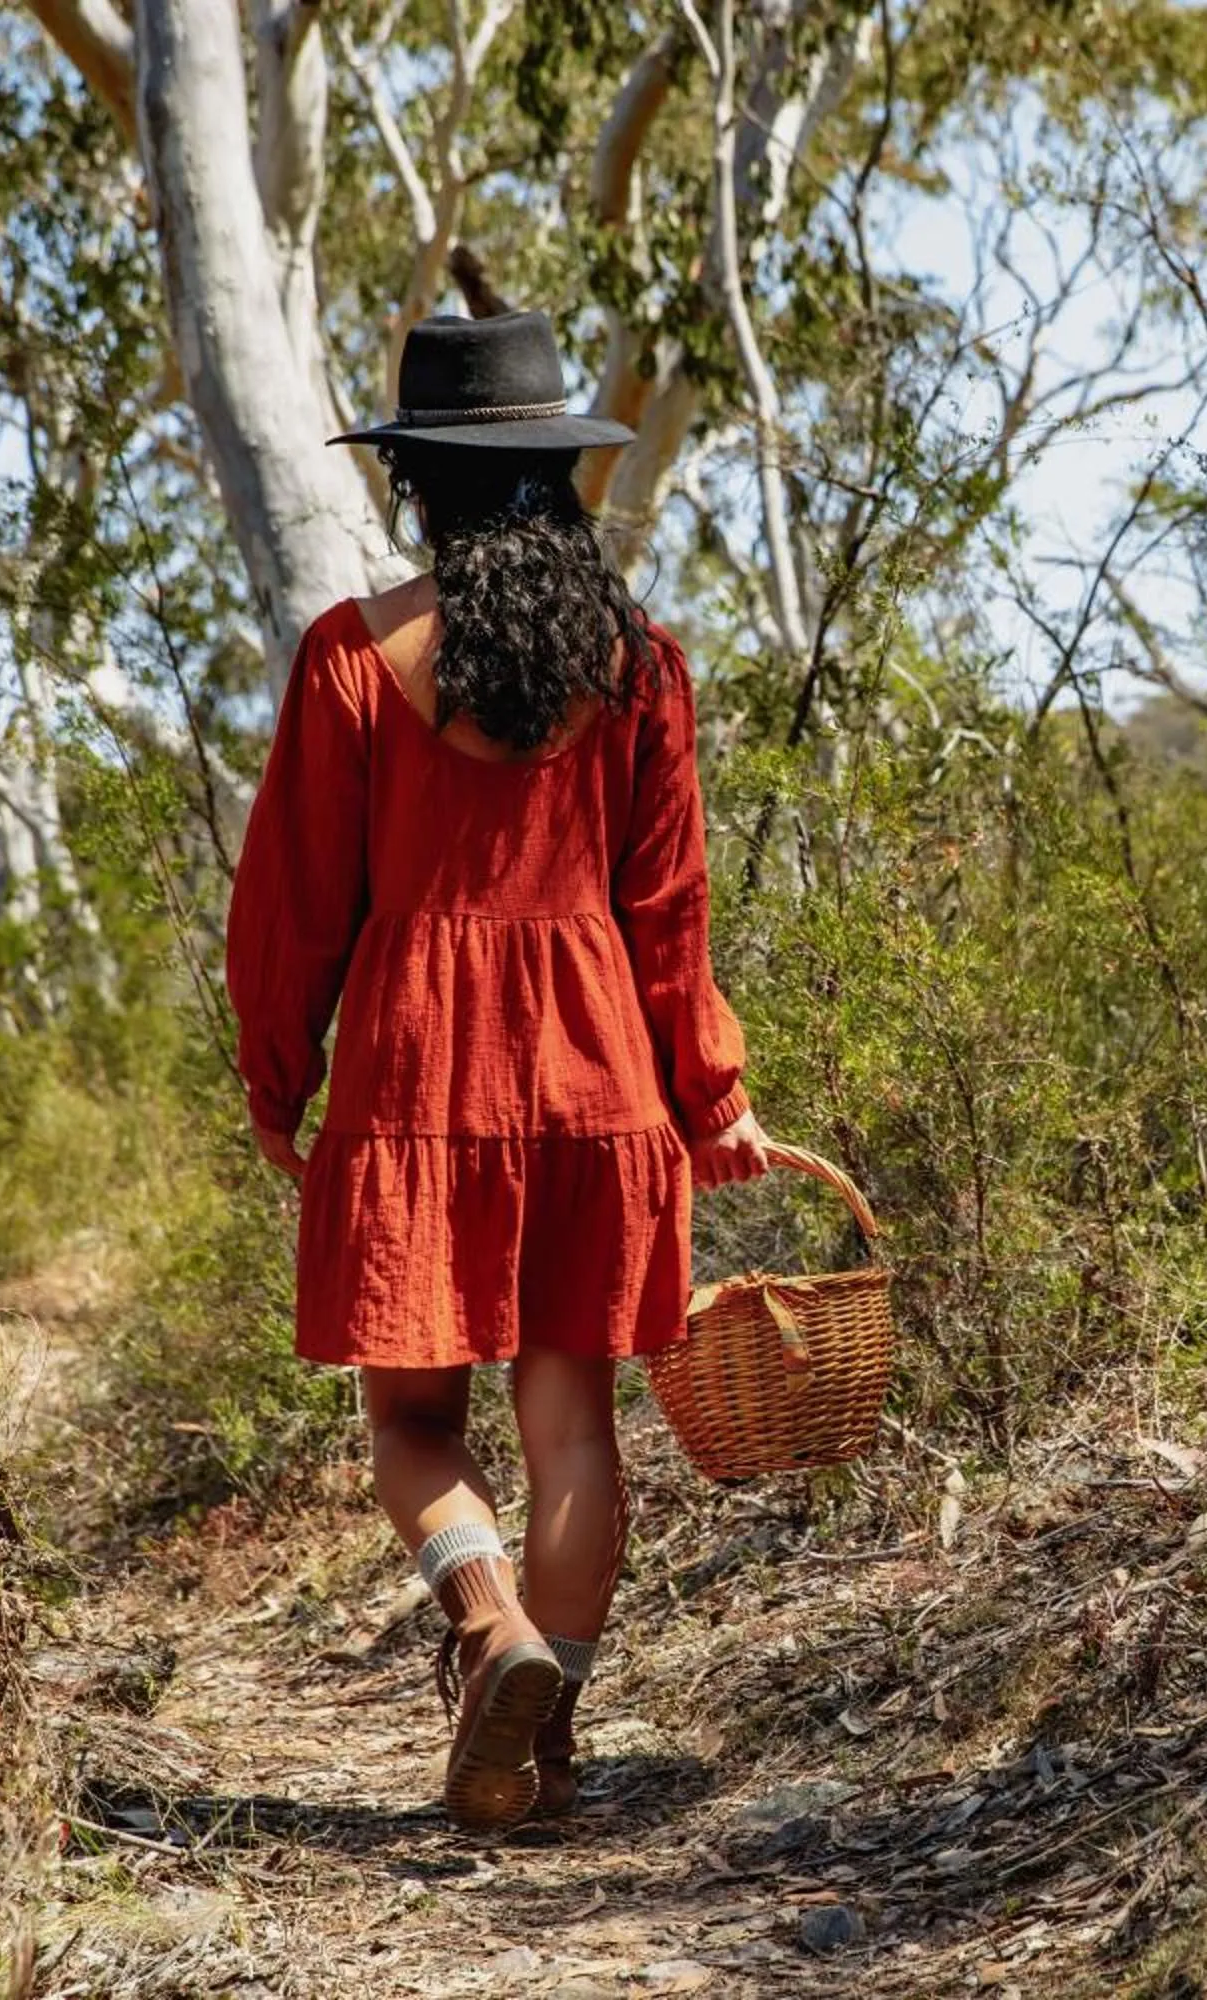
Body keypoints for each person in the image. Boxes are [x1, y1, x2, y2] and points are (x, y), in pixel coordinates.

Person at [225, 311, 769, 1832]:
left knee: (412, 1426)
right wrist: (709, 1087)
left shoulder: (353, 658)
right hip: (595, 1068)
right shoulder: (641, 668)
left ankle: (490, 1633)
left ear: (419, 484)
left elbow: (292, 906)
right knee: (573, 1422)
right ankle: (553, 1735)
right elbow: (672, 917)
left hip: (418, 1071)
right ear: (560, 480)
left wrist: (280, 1080)